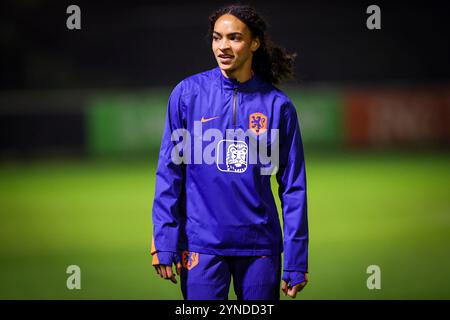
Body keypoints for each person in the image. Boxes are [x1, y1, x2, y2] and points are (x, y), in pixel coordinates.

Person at [151, 4, 309, 300]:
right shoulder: (187, 95)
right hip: (201, 247)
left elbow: (293, 188)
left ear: (254, 43)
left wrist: (297, 260)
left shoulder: (278, 106)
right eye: (216, 37)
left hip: (260, 249)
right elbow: (170, 173)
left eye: (234, 37)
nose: (223, 46)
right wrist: (164, 240)